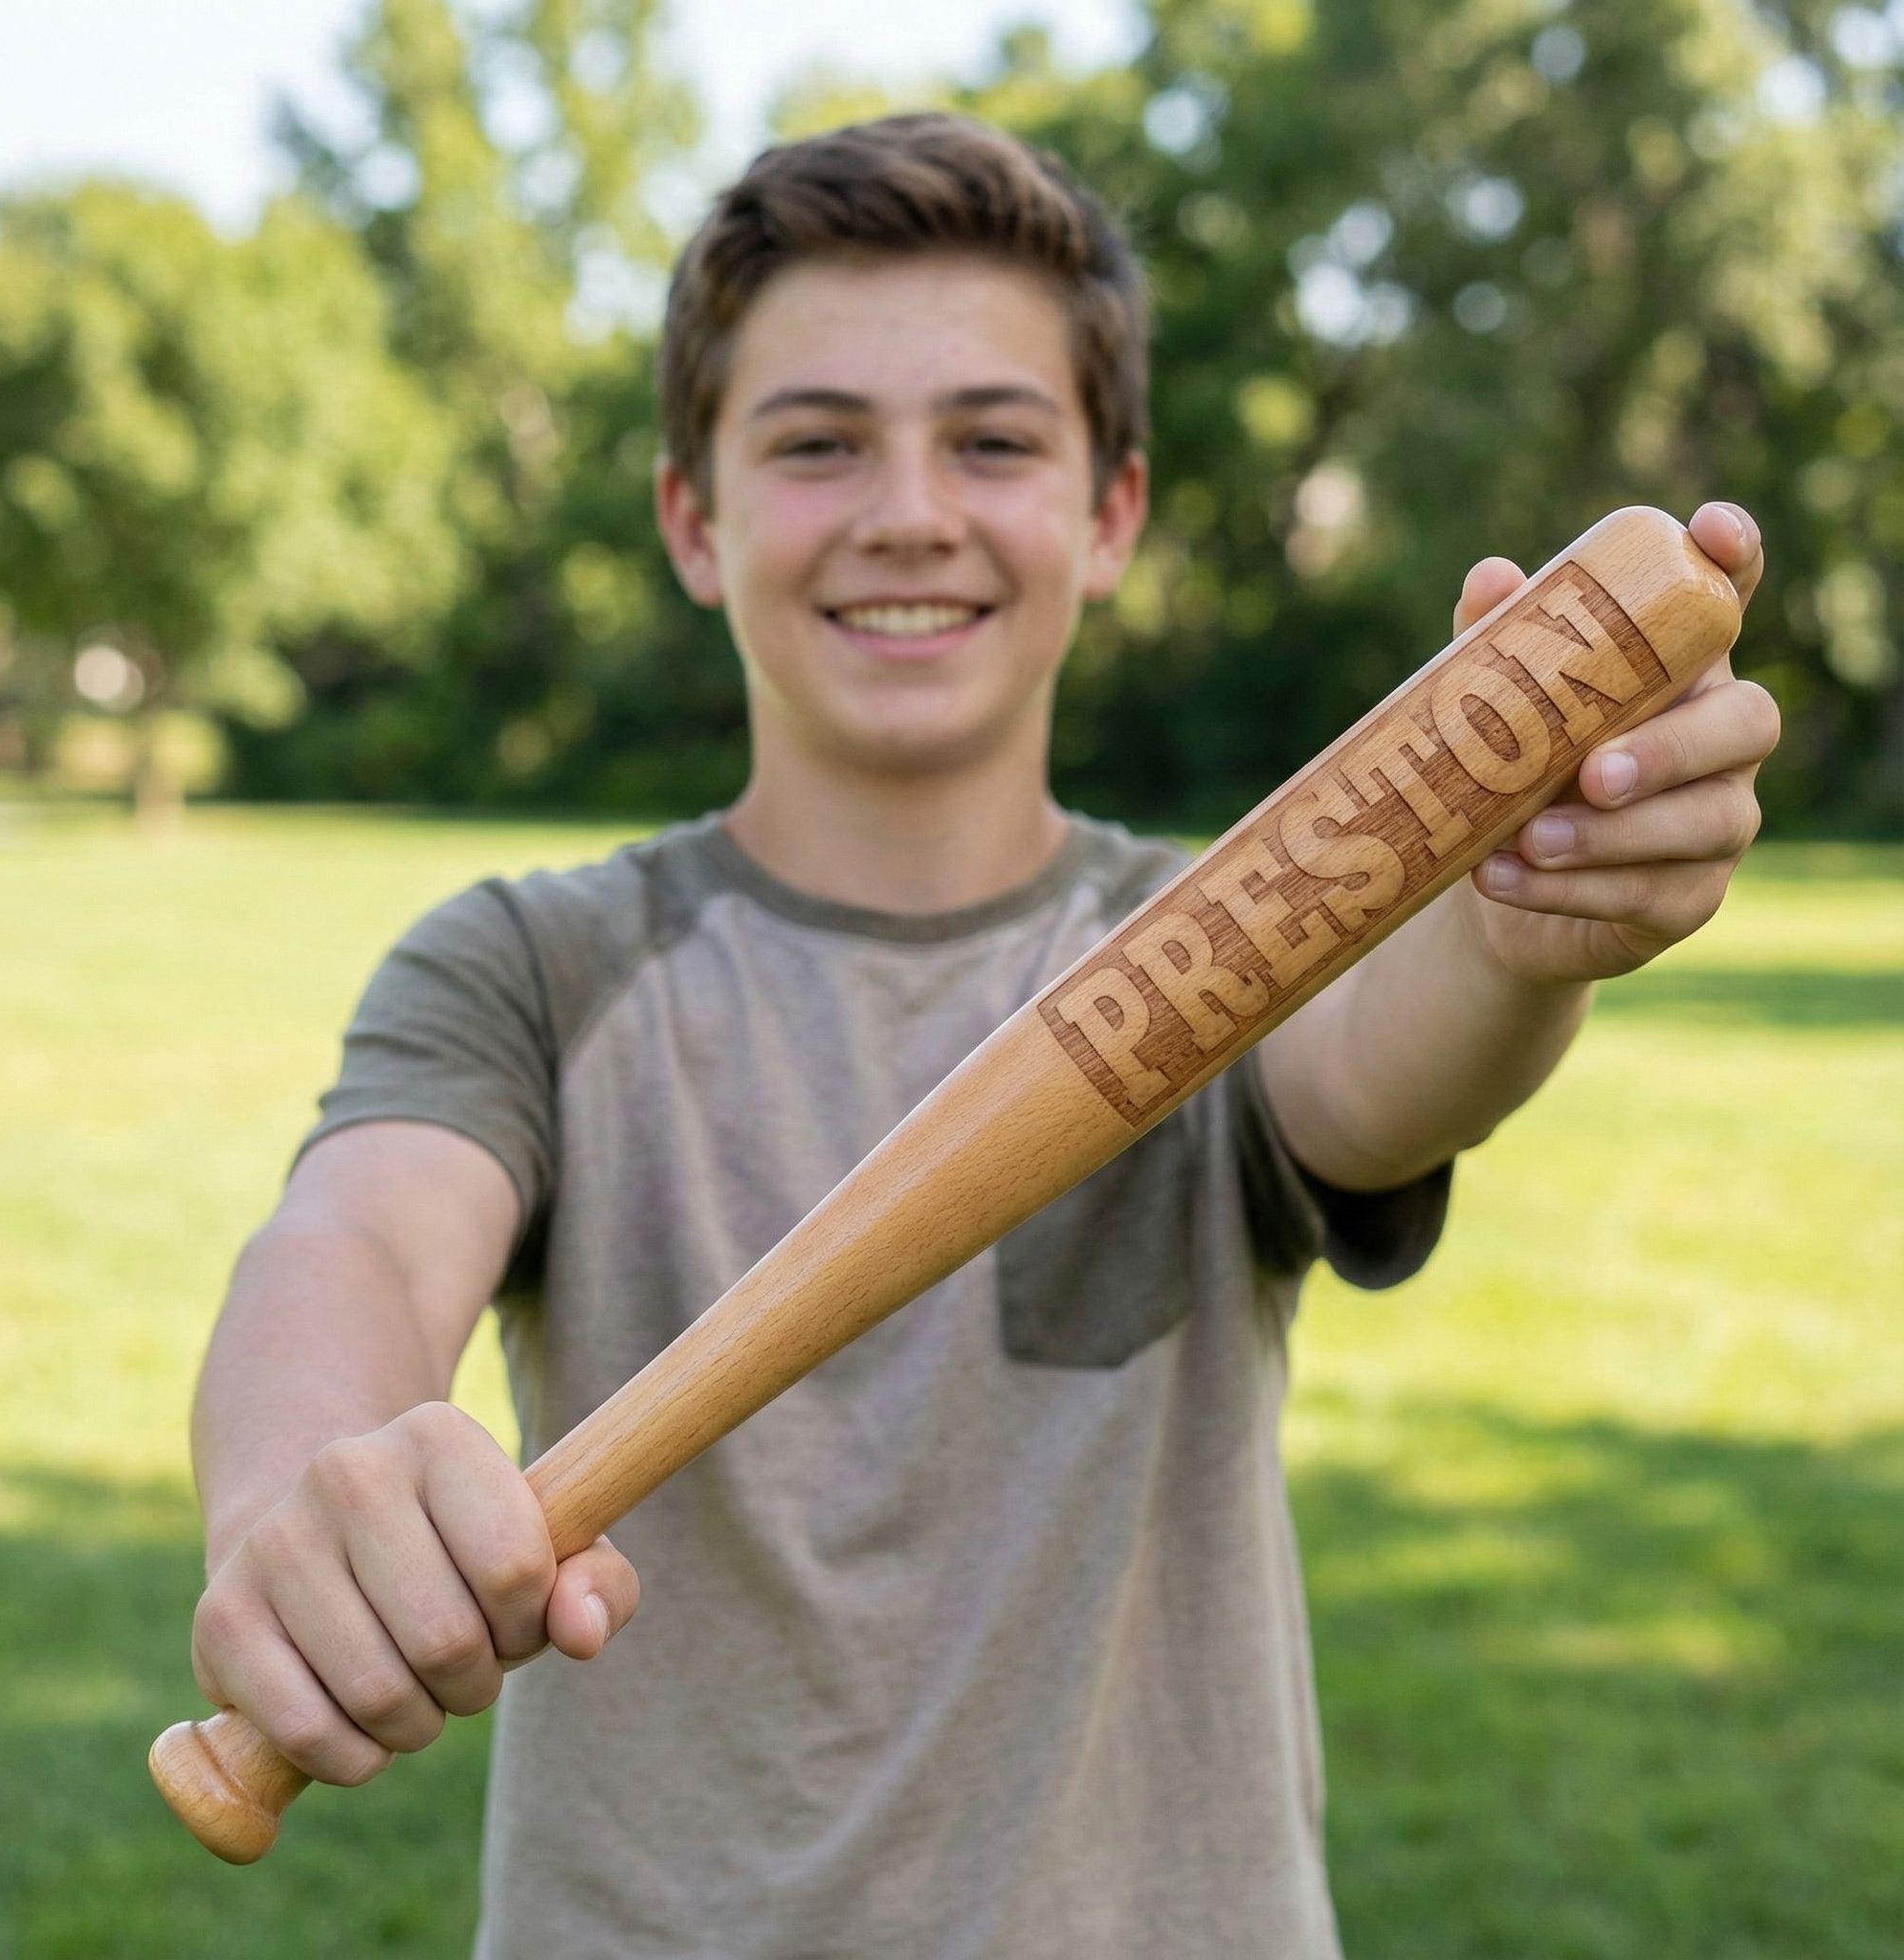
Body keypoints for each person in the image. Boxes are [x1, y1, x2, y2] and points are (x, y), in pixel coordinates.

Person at [186, 115, 1778, 1956]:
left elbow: (1386, 1060)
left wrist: (1535, 917)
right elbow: (357, 1244)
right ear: (693, 521)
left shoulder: (1222, 949)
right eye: (818, 443)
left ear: (1110, 514)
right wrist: (305, 1491)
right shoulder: (534, 967)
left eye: (994, 439)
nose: (911, 509)